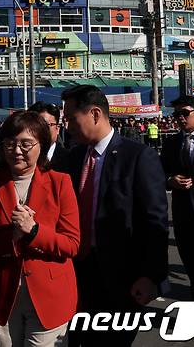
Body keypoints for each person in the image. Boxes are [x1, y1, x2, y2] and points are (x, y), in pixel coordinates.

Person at [62, 85, 168, 347]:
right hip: (77, 273)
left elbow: (154, 220)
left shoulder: (138, 156)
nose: (68, 127)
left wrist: (151, 275)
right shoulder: (73, 158)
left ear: (95, 114)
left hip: (123, 278)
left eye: (72, 119)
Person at [0, 111, 79, 346]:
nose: (17, 150)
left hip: (50, 296)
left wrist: (34, 231)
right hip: (2, 296)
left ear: (41, 145)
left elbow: (71, 244)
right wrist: (12, 236)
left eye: (26, 143)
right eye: (10, 144)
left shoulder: (60, 182)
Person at [161, 95, 194, 333]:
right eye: (176, 114)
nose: (179, 118)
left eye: (184, 113)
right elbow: (158, 174)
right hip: (183, 218)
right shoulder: (170, 144)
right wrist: (171, 180)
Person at [29, 101, 71, 174]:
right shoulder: (19, 158)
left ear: (57, 129)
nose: (40, 130)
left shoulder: (71, 159)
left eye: (46, 125)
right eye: (35, 125)